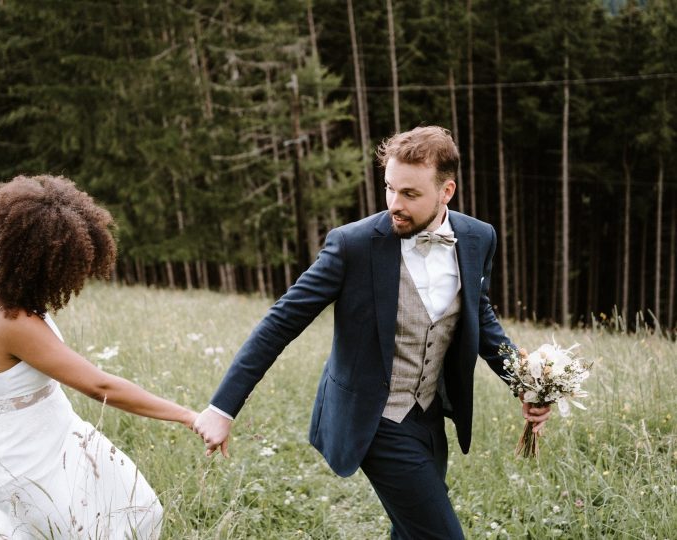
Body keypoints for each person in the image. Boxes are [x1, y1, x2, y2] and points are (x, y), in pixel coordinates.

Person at [193, 126, 552, 538]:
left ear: (446, 191)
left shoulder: (478, 238)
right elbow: (281, 322)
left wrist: (523, 382)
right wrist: (222, 409)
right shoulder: (352, 245)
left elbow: (478, 314)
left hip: (428, 416)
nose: (394, 205)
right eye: (389, 188)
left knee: (410, 531)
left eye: (410, 195)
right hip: (374, 416)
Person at [0, 174, 197, 539]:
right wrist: (186, 415)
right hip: (30, 455)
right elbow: (100, 385)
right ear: (42, 261)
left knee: (134, 511)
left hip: (44, 435)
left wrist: (13, 392)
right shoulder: (14, 321)